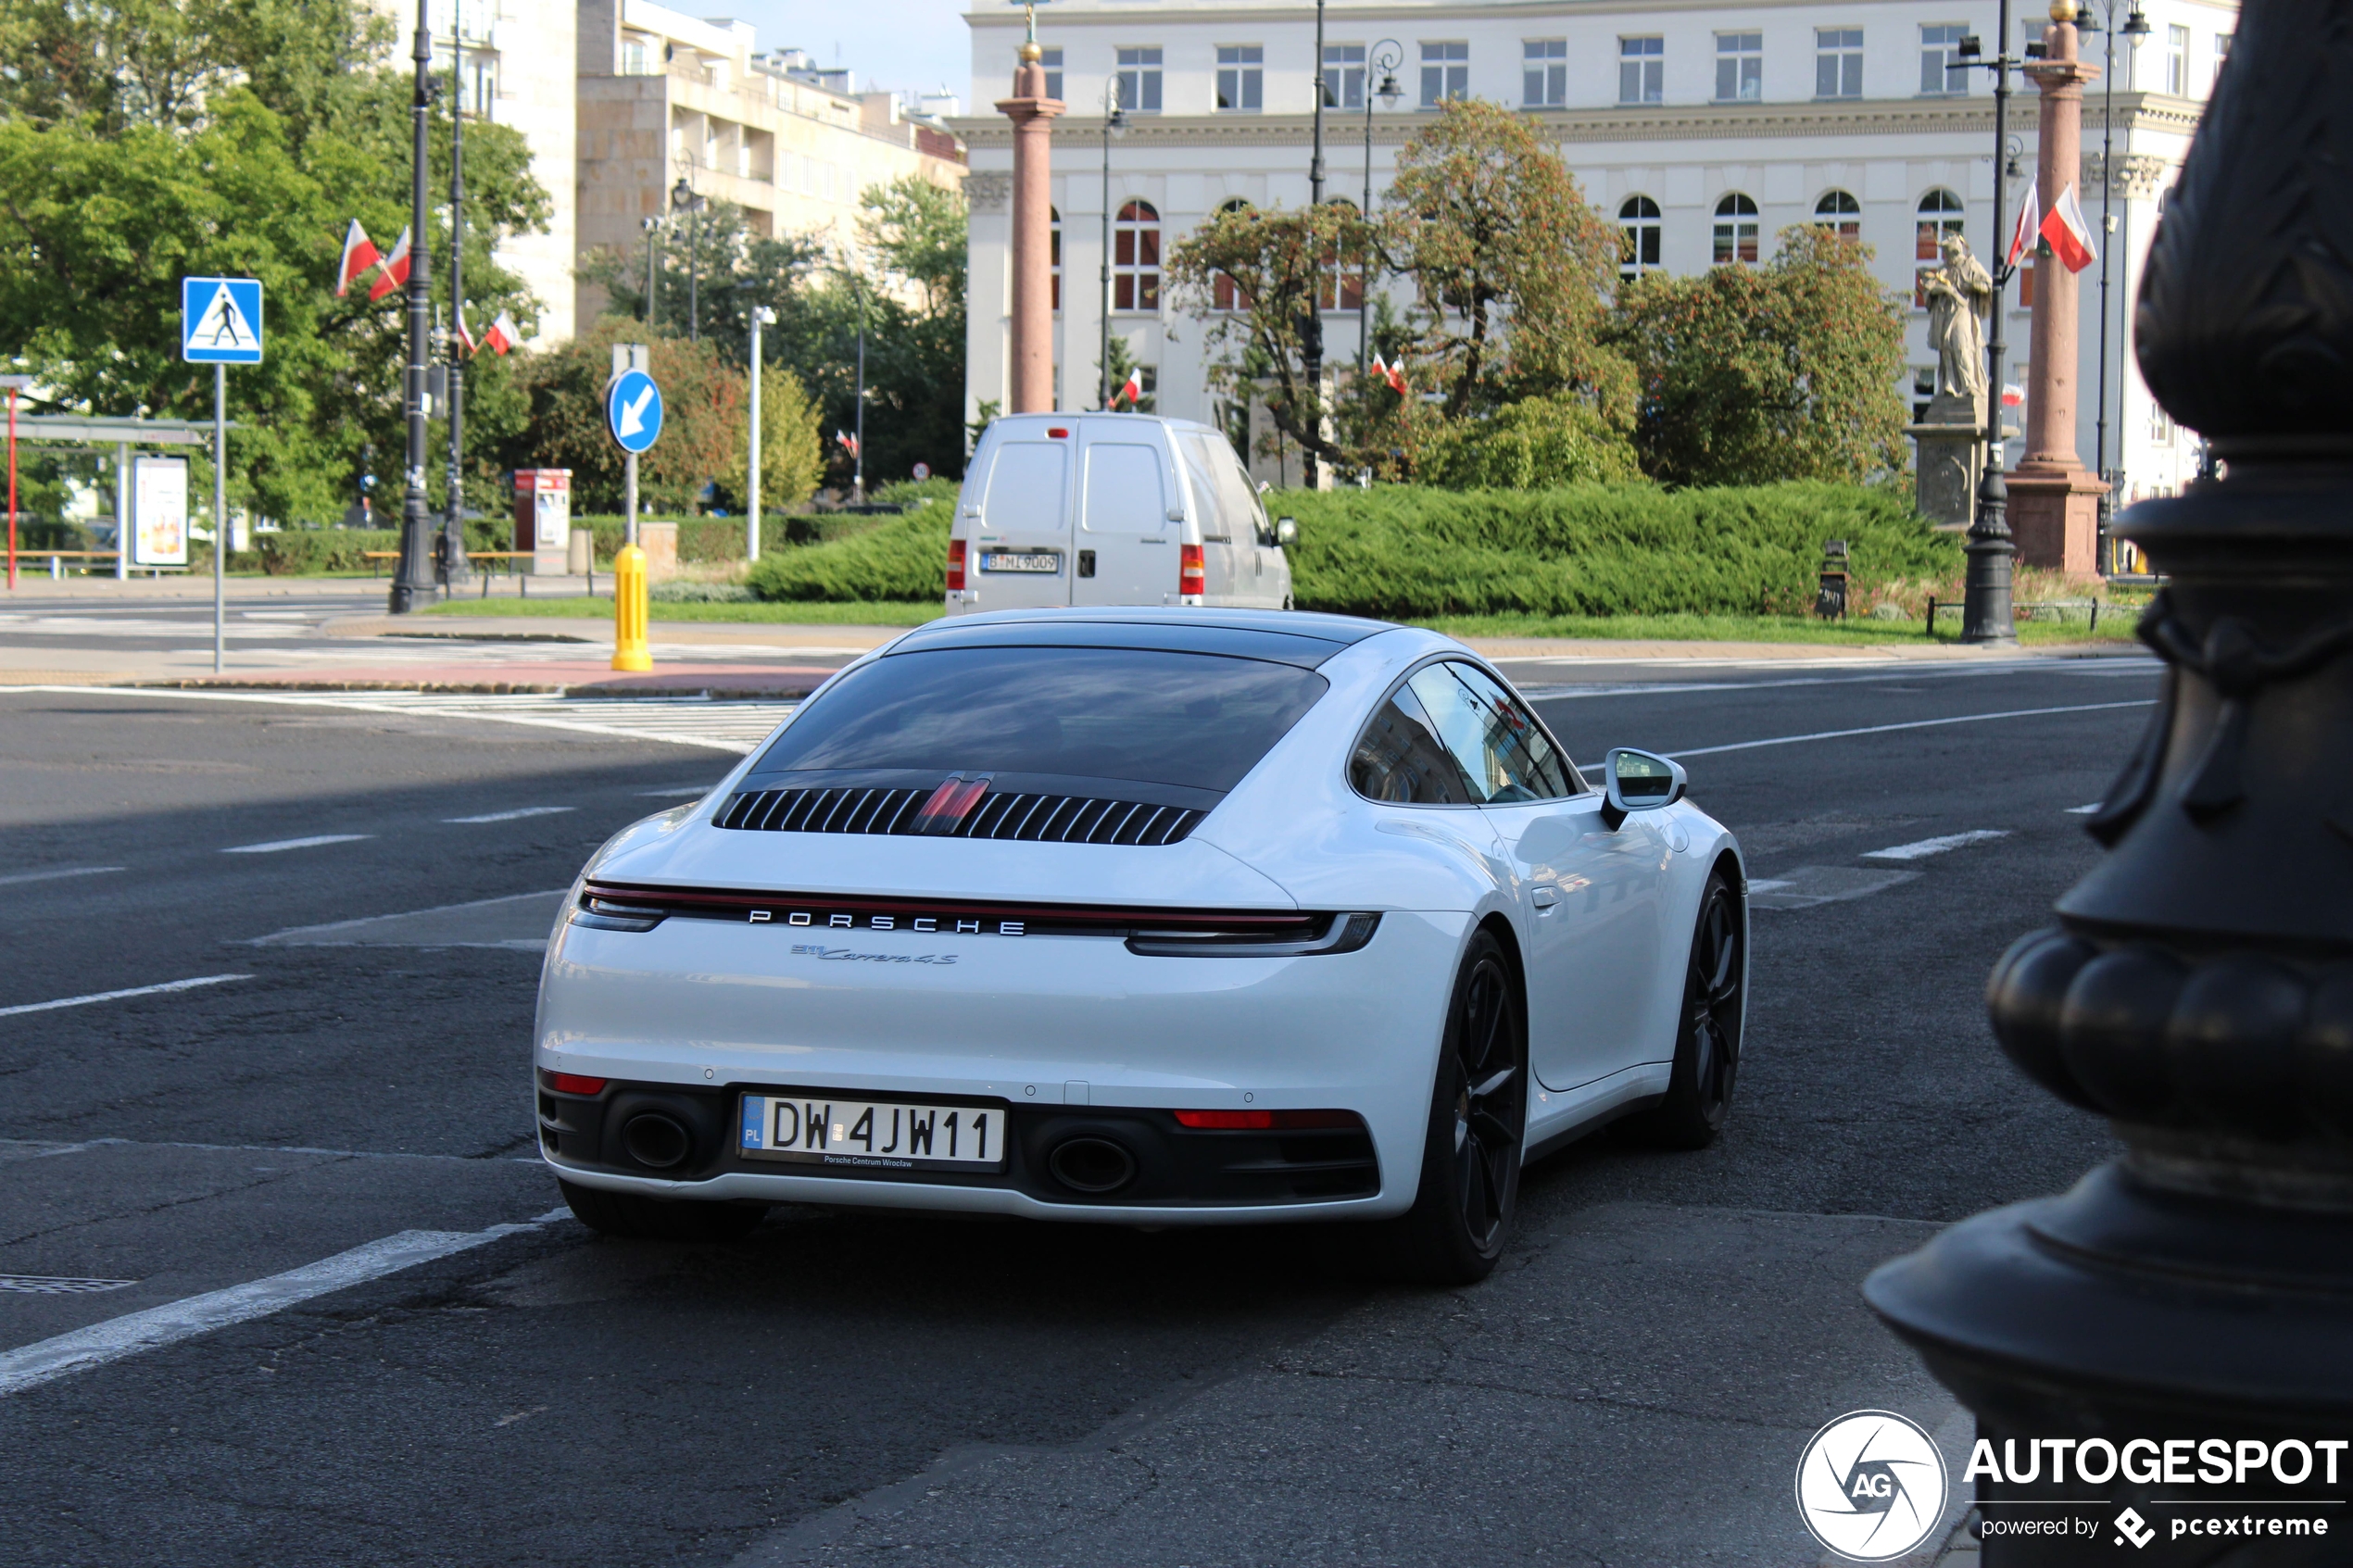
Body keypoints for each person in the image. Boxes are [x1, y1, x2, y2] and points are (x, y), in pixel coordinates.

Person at [1923, 235, 1993, 406]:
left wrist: (1972, 286)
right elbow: (1928, 291)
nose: (1949, 256)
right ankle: (1950, 385)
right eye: (1946, 252)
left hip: (1964, 310)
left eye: (1951, 252)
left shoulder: (1970, 265)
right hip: (1945, 312)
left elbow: (1988, 285)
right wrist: (1938, 290)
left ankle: (1969, 385)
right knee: (1946, 346)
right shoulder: (1943, 270)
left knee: (1961, 344)